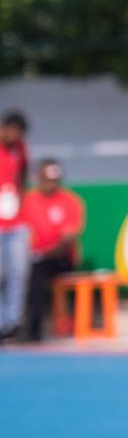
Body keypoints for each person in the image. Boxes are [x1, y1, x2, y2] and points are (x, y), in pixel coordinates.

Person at [19, 160, 84, 342]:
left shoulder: (70, 201)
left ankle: (39, 331)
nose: (50, 184)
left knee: (38, 272)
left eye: (54, 180)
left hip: (60, 259)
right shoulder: (28, 201)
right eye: (47, 180)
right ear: (38, 178)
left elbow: (67, 240)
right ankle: (18, 327)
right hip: (33, 259)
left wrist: (41, 254)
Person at [0, 115, 27, 343]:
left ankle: (13, 322)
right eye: (12, 131)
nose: (15, 136)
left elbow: (24, 173)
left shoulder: (20, 149)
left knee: (18, 273)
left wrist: (20, 198)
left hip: (16, 222)